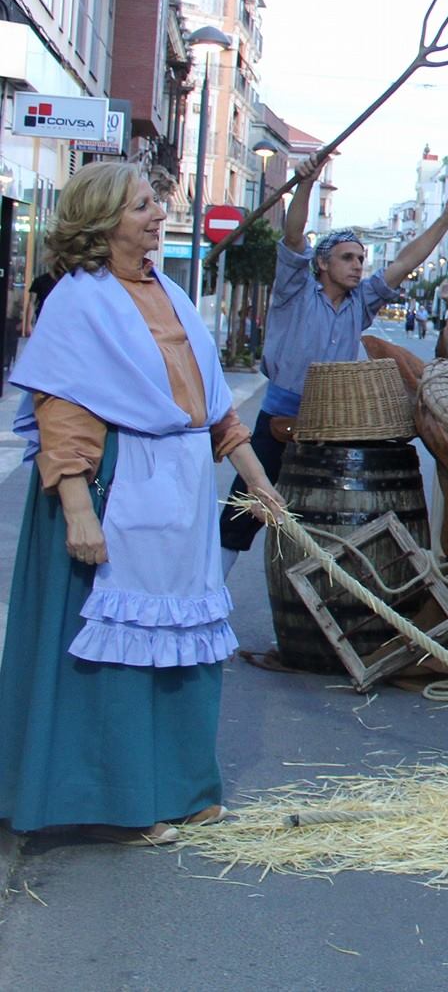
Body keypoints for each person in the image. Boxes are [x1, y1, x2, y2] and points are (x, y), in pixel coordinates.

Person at [0, 162, 285, 843]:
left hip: (179, 491)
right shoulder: (79, 298)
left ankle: (182, 788)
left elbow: (214, 407)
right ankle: (123, 801)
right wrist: (78, 509)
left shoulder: (170, 292)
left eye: (156, 202)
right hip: (112, 485)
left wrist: (258, 482)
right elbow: (62, 414)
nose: (158, 214)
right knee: (116, 652)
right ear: (103, 222)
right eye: (141, 206)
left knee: (181, 643)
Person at [221, 157, 448, 571]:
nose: (358, 265)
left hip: (330, 426)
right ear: (322, 263)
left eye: (361, 258)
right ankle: (209, 602)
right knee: (242, 513)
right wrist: (307, 182)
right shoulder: (294, 288)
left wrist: (445, 220)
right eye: (348, 257)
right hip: (279, 418)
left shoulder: (361, 303)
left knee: (327, 521)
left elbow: (405, 263)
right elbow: (294, 233)